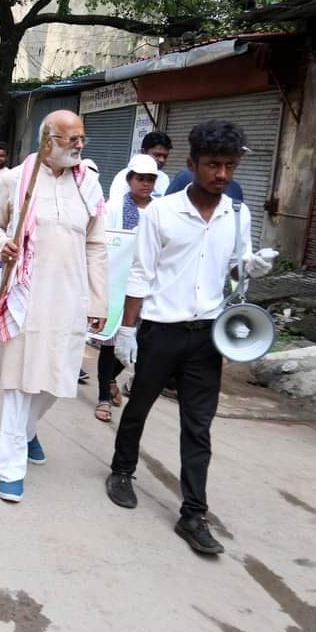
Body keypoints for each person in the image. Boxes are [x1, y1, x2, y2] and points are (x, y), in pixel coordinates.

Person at [105, 120, 276, 555]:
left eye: (229, 166)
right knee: (139, 406)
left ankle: (194, 513)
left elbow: (235, 269)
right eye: (213, 164)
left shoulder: (237, 215)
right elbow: (141, 273)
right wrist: (127, 329)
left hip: (207, 336)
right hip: (161, 329)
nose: (222, 174)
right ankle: (122, 470)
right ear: (192, 164)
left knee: (198, 425)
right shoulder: (162, 212)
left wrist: (250, 268)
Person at [0, 110, 108, 503]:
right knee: (19, 381)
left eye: (82, 138)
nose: (79, 145)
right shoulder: (15, 179)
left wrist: (100, 300)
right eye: (72, 139)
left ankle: (28, 431)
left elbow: (96, 244)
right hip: (25, 295)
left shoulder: (89, 184)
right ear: (48, 141)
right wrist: (0, 242)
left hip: (70, 297)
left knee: (59, 378)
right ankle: (11, 466)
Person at [93, 154, 159, 423]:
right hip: (117, 282)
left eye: (150, 180)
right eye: (140, 179)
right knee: (110, 342)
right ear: (130, 179)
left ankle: (111, 378)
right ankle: (103, 397)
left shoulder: (159, 210)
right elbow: (101, 244)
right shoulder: (114, 209)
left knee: (138, 340)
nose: (145, 184)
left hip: (147, 286)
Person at [106, 132, 172, 206]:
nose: (162, 160)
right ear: (143, 152)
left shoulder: (164, 178)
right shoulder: (123, 177)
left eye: (165, 156)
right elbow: (117, 207)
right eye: (157, 155)